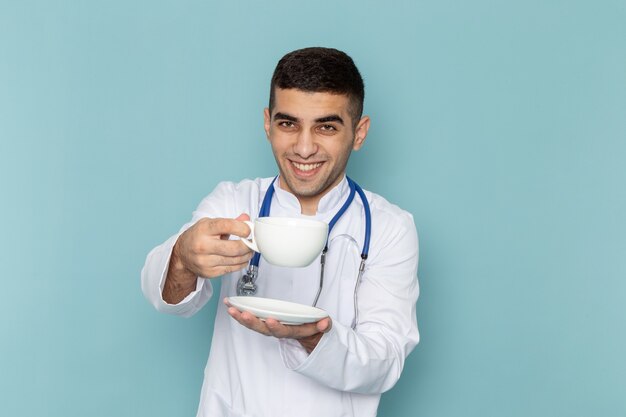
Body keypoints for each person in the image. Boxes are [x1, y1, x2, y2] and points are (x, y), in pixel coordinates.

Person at [141, 47, 419, 417]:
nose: (304, 148)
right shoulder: (233, 201)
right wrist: (183, 257)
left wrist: (312, 335)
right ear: (268, 123)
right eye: (289, 124)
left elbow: (384, 361)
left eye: (326, 126)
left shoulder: (389, 228)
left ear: (359, 132)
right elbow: (166, 298)